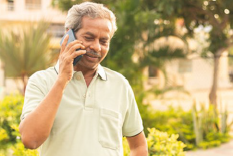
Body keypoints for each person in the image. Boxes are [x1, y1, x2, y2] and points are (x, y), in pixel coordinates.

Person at [19, 2, 148, 156]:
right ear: (68, 35)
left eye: (103, 41)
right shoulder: (41, 81)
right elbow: (30, 139)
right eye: (89, 37)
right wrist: (62, 81)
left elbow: (138, 146)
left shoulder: (120, 85)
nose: (96, 47)